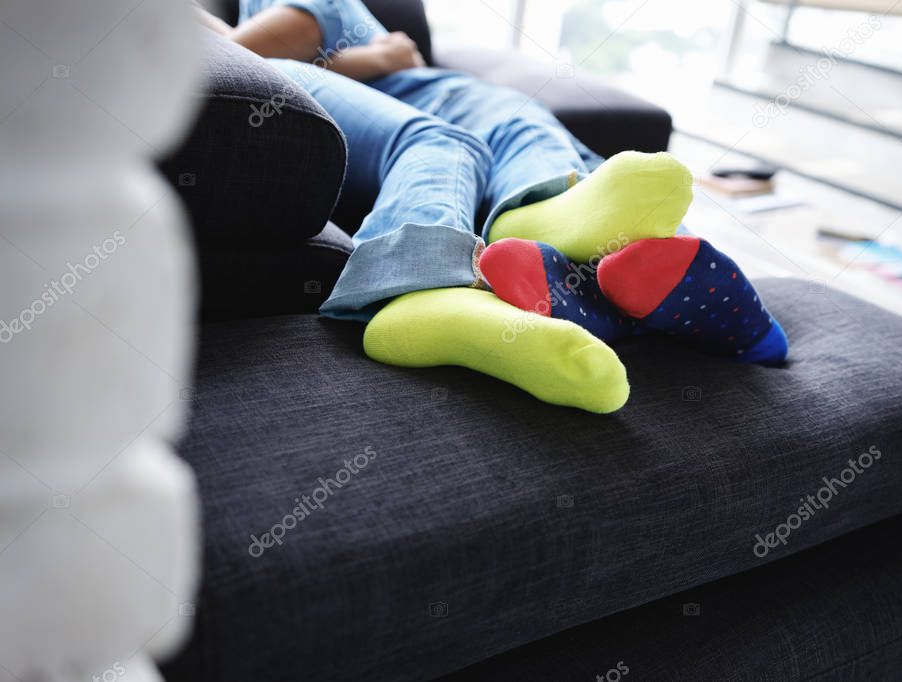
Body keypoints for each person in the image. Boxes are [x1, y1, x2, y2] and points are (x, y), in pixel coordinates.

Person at [196, 0, 788, 414]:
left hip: (443, 104)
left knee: (563, 151)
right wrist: (376, 57)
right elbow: (255, 52)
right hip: (422, 105)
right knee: (500, 136)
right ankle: (436, 283)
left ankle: (627, 279)